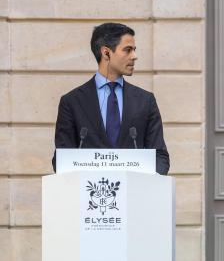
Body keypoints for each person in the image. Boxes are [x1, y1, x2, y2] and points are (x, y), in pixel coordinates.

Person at [52, 22, 170, 175]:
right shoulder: (72, 102)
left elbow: (160, 156)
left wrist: (147, 186)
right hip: (90, 195)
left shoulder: (146, 101)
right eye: (127, 50)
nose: (135, 56)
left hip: (136, 195)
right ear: (106, 53)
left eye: (134, 50)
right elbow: (62, 159)